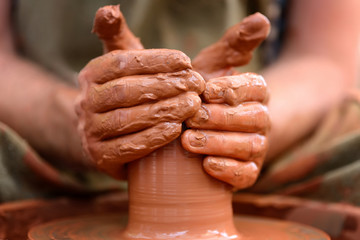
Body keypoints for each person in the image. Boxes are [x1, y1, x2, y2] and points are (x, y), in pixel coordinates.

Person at [0, 0, 359, 205]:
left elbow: (328, 57)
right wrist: (76, 121)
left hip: (251, 152)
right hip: (45, 143)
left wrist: (252, 120)